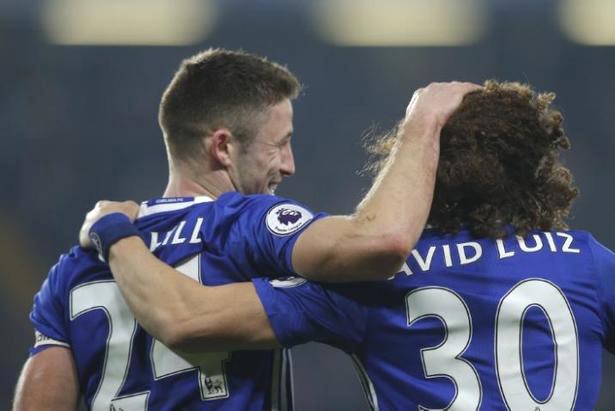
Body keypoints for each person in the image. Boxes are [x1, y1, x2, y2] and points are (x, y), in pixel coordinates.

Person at [77, 80, 615, 409]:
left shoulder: (368, 283)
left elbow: (185, 317)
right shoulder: (588, 264)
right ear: (531, 172)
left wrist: (115, 234)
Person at [12, 46, 479, 410]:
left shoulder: (74, 269)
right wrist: (423, 122)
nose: (290, 166)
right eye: (280, 145)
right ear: (223, 148)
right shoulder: (242, 222)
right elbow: (379, 241)